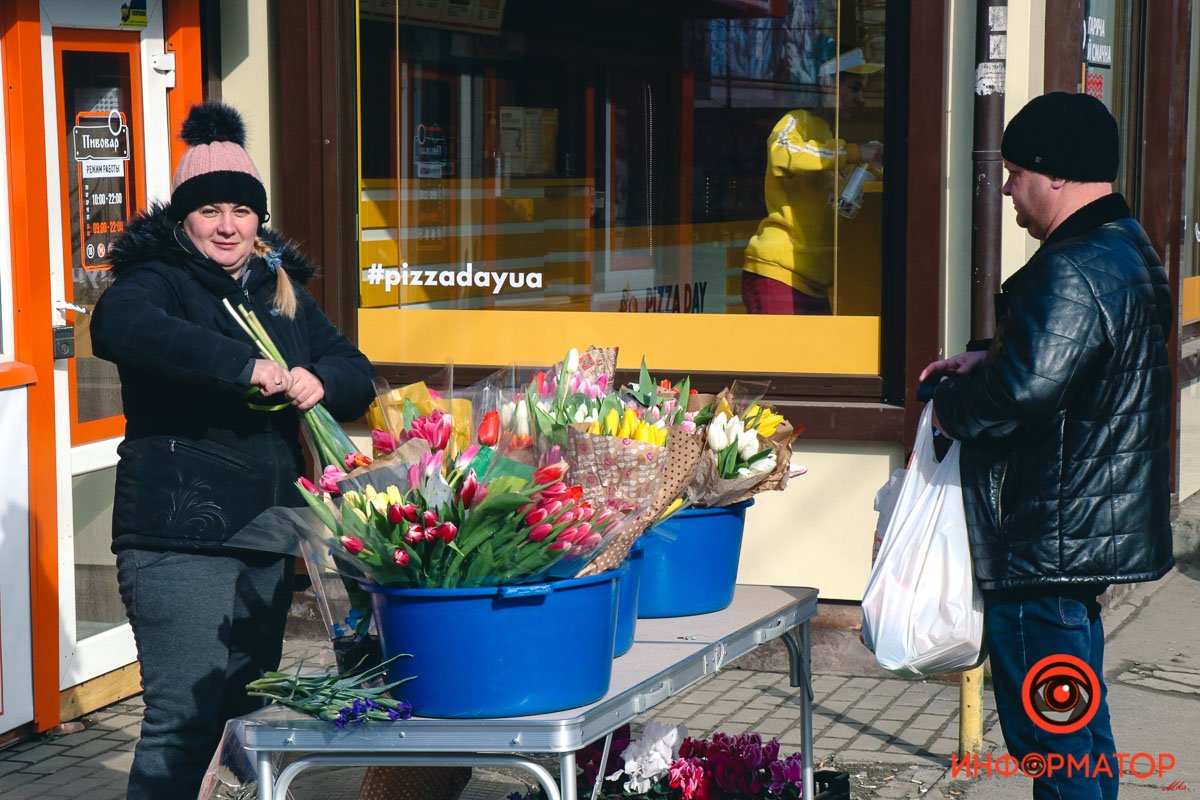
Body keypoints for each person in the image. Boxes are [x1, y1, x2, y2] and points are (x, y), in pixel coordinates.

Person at [90, 102, 377, 799]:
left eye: (242, 212)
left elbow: (356, 371)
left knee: (244, 714)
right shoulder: (157, 279)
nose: (228, 226)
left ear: (259, 218)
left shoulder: (277, 288)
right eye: (210, 210)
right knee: (184, 720)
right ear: (183, 219)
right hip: (179, 535)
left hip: (268, 531)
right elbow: (119, 326)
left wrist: (319, 378)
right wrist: (241, 366)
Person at [921, 93, 1173, 800]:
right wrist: (991, 355)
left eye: (1015, 172)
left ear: (1055, 173)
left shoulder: (1070, 266)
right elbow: (1078, 363)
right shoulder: (1126, 247)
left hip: (1045, 551)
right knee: (1078, 734)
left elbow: (1019, 397)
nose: (1007, 188)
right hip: (1078, 546)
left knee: (1052, 745)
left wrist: (947, 406)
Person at [742, 47, 883, 315]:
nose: (861, 99)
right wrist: (854, 152)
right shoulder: (797, 121)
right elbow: (782, 153)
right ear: (828, 84)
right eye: (854, 88)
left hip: (813, 282)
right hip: (780, 273)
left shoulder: (826, 135)